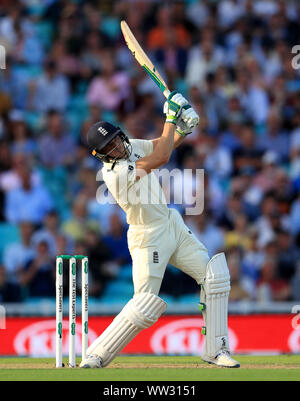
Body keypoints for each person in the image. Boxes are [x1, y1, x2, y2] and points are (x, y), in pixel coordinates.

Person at [82, 91, 240, 369]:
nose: (119, 147)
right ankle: (96, 353)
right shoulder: (115, 173)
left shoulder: (130, 145)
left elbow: (160, 145)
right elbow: (162, 158)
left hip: (171, 223)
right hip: (147, 236)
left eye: (117, 139)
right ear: (102, 155)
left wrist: (183, 130)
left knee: (214, 277)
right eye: (111, 147)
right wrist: (171, 116)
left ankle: (216, 350)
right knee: (145, 304)